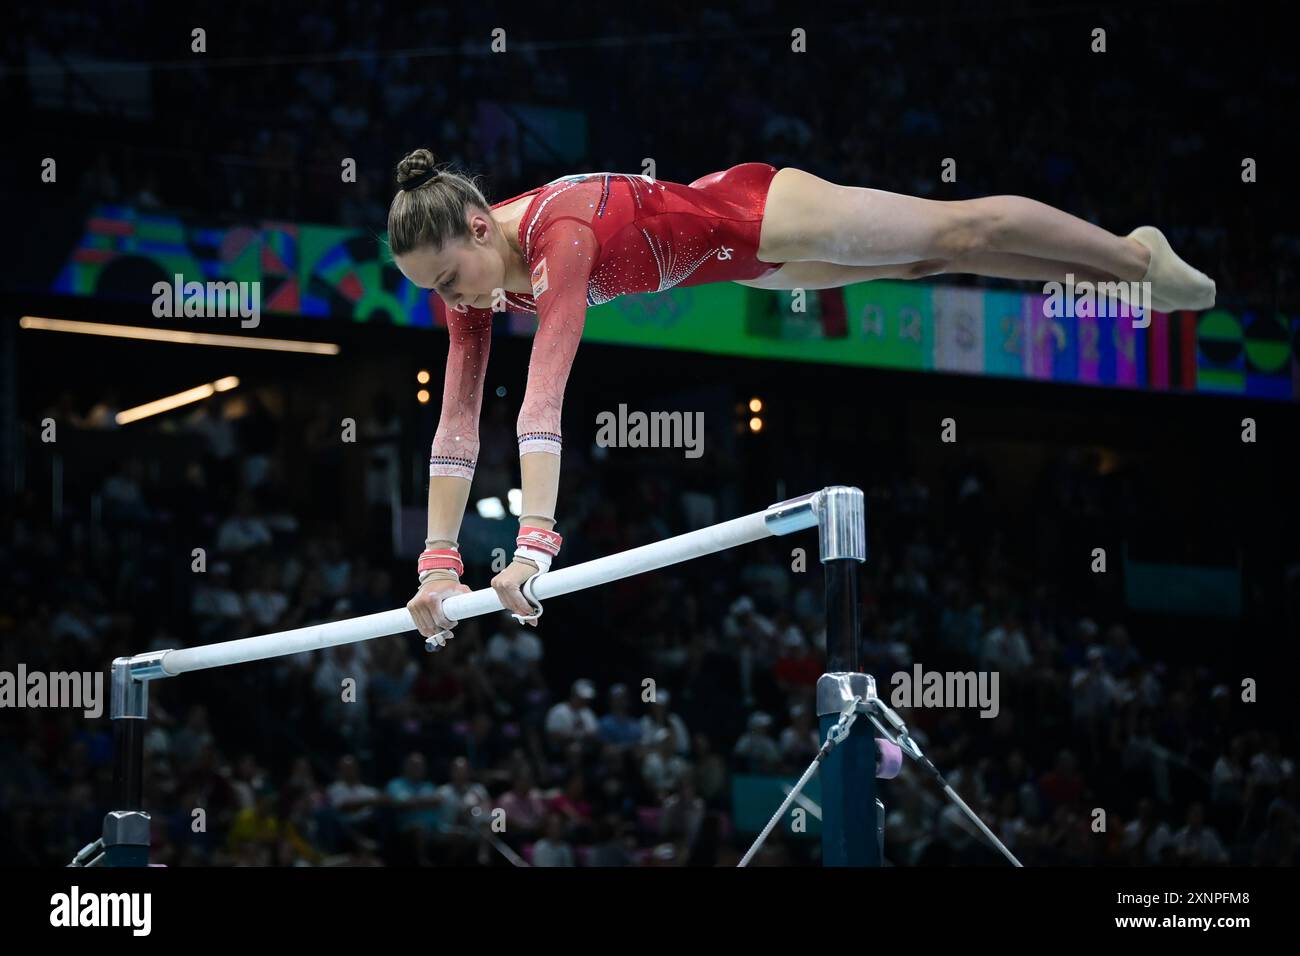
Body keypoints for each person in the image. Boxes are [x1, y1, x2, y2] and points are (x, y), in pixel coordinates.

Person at [395, 149, 1215, 638]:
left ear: (476, 228)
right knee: (929, 265)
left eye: (449, 278)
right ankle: (1119, 275)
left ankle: (1136, 256)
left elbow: (545, 395)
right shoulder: (469, 278)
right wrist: (440, 569)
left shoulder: (559, 237)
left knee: (954, 232)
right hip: (739, 263)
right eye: (432, 289)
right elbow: (456, 423)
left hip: (753, 212)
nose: (453, 299)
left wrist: (534, 542)